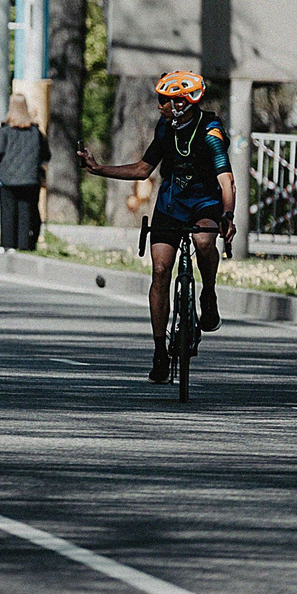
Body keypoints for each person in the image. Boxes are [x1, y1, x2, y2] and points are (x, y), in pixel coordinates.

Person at [84, 69, 236, 383]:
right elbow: (143, 169)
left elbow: (226, 180)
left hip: (205, 202)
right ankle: (159, 351)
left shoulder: (211, 132)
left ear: (182, 103)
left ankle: (208, 294)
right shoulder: (166, 128)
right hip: (172, 202)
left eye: (165, 101)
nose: (159, 106)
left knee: (205, 243)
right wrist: (99, 169)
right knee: (161, 270)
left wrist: (227, 216)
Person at [0, 91, 45, 251]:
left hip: (8, 178)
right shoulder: (35, 131)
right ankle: (24, 245)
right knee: (26, 212)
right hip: (30, 178)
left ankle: (7, 244)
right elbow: (45, 153)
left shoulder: (5, 130)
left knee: (8, 211)